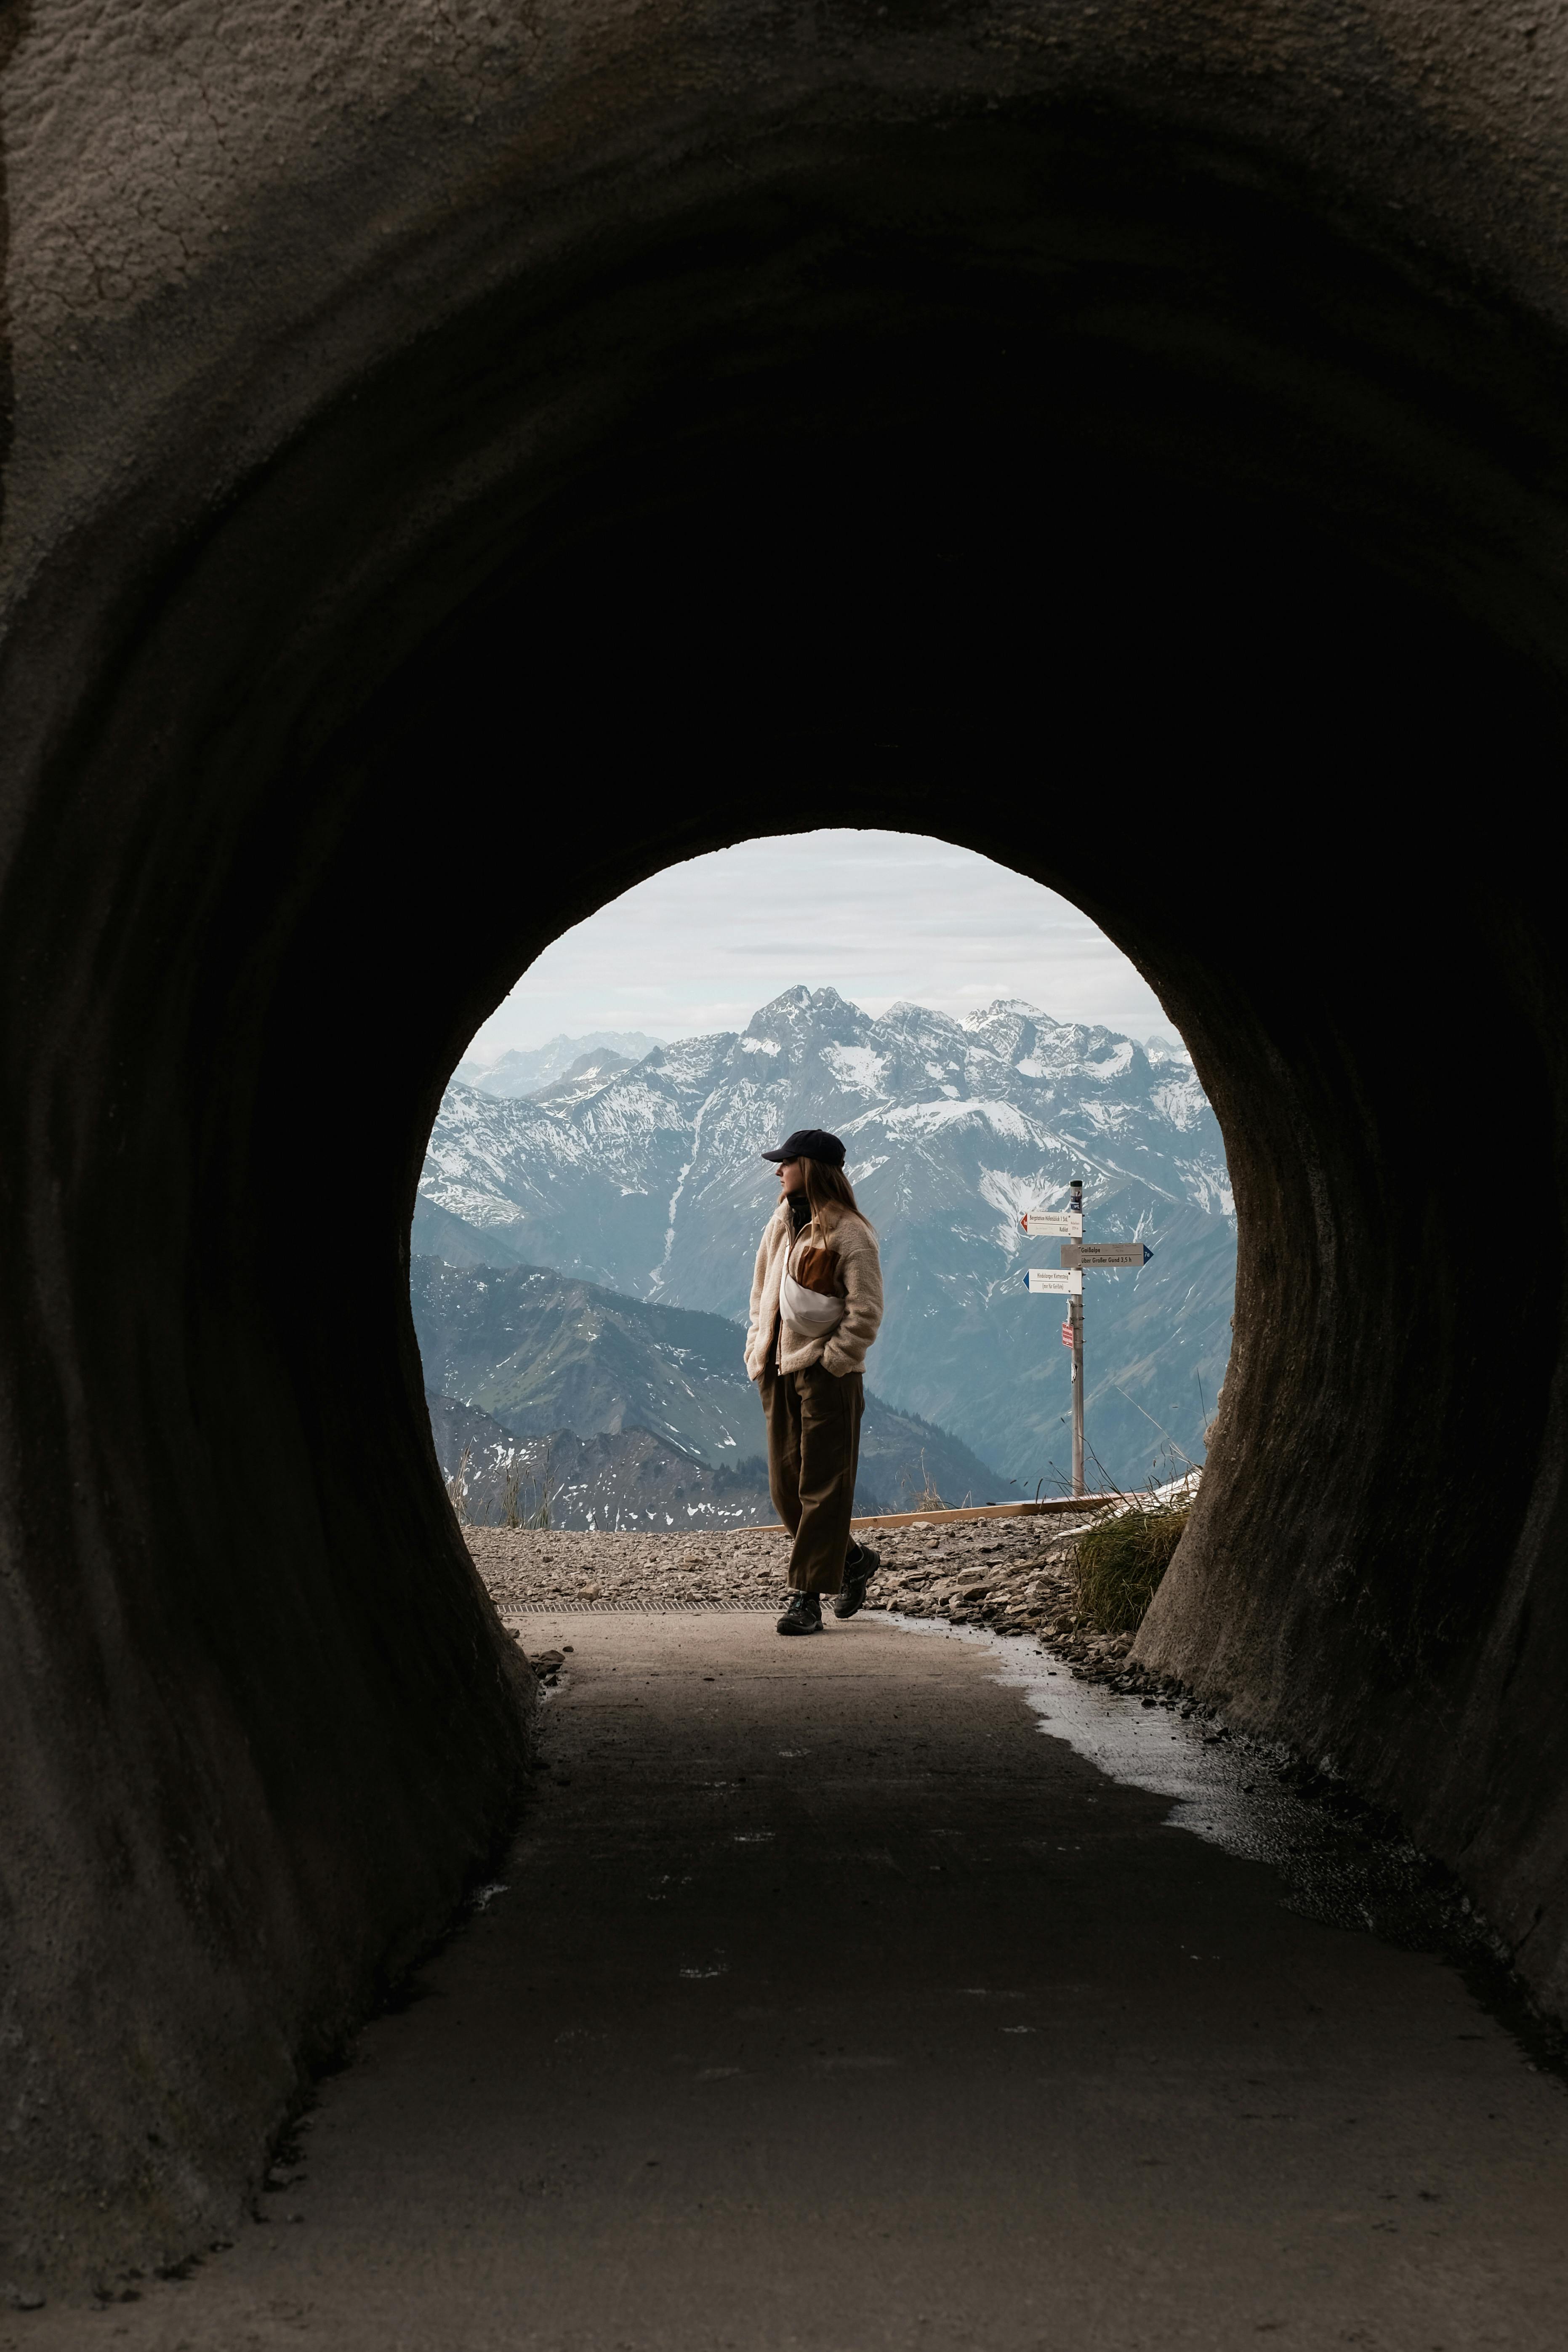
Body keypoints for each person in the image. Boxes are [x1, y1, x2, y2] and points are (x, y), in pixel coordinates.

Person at [744, 1127, 884, 1635]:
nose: (778, 1170)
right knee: (786, 1490)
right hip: (776, 1369)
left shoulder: (851, 1232)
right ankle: (852, 1560)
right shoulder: (780, 1223)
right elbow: (761, 1288)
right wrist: (756, 1347)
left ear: (811, 1168)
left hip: (826, 1375)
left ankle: (805, 1599)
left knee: (822, 1488)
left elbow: (866, 1310)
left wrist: (834, 1361)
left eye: (786, 1162)